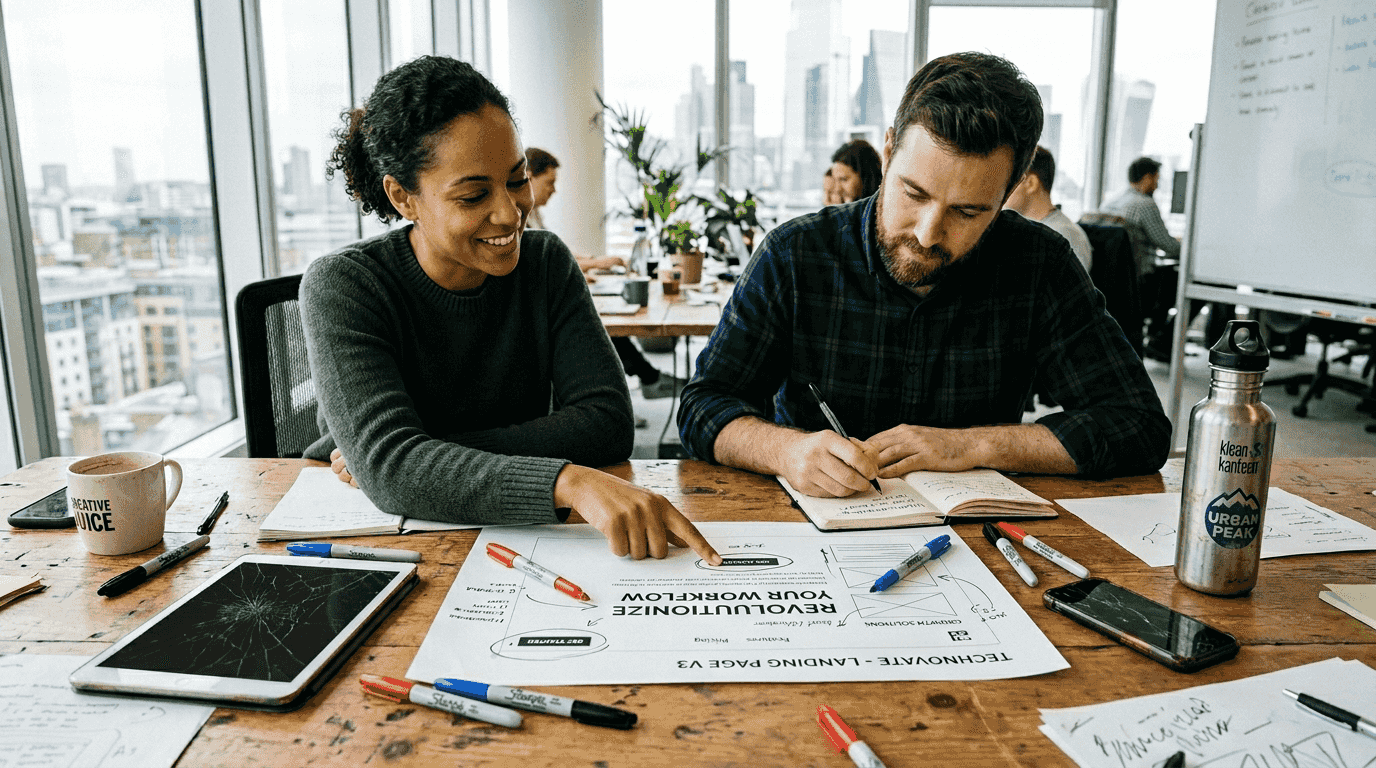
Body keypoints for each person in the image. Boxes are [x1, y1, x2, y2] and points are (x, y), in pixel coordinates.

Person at [678, 52, 1170, 498]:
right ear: (888, 152)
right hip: (815, 537)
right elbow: (704, 405)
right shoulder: (796, 254)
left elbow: (1138, 427)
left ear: (1011, 191)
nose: (929, 234)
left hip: (981, 545)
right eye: (914, 194)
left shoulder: (1039, 263)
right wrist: (785, 451)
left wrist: (972, 446)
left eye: (968, 211)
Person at [303, 55, 719, 563]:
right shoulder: (345, 285)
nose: (509, 212)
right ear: (403, 197)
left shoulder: (545, 263)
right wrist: (566, 480)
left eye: (517, 180)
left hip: (522, 541)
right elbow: (392, 471)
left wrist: (422, 454)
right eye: (474, 194)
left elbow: (607, 423)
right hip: (383, 540)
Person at [524, 146, 684, 401]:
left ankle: (644, 380)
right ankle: (644, 380)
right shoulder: (518, 215)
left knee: (603, 318)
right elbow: (544, 261)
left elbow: (552, 254)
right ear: (529, 176)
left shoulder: (533, 214)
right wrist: (595, 263)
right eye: (549, 182)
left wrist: (591, 262)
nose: (553, 190)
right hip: (539, 316)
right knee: (599, 323)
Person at [1003, 145, 1093, 272]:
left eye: (1008, 181)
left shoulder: (1065, 236)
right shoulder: (1026, 230)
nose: (1002, 190)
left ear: (1031, 183)